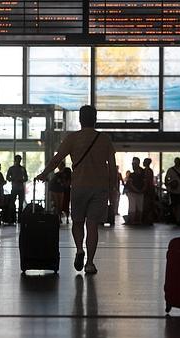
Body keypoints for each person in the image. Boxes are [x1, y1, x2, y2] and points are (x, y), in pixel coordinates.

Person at [36, 105, 117, 274]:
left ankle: (79, 249)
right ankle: (90, 263)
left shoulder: (72, 138)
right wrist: (112, 189)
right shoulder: (105, 140)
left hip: (79, 186)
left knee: (78, 222)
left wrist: (44, 174)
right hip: (100, 188)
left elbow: (57, 159)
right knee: (92, 225)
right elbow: (112, 167)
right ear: (95, 119)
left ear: (80, 120)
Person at [164, 157, 180, 225]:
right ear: (174, 162)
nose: (177, 162)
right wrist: (168, 186)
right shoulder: (170, 170)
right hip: (173, 190)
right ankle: (176, 218)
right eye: (176, 161)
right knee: (174, 205)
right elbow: (166, 178)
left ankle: (178, 220)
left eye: (178, 161)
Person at [6, 155, 28, 223]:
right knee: (12, 203)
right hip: (15, 187)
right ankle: (13, 218)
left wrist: (22, 180)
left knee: (21, 204)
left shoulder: (22, 169)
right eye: (17, 159)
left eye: (19, 159)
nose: (19, 161)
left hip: (20, 188)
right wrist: (12, 179)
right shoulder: (11, 168)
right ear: (15, 160)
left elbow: (26, 178)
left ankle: (20, 219)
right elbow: (7, 177)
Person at [125, 157, 145, 225]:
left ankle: (135, 221)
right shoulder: (132, 174)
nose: (133, 165)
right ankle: (133, 221)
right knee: (134, 207)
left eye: (134, 164)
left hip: (136, 192)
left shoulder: (142, 173)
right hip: (133, 193)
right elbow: (130, 184)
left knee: (136, 207)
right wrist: (140, 190)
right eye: (133, 164)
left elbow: (145, 183)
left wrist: (139, 190)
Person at [142, 158, 156, 225]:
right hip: (150, 190)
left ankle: (147, 219)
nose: (143, 162)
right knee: (149, 205)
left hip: (147, 190)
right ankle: (148, 219)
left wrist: (144, 189)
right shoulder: (150, 170)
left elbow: (147, 181)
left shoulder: (146, 171)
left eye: (144, 161)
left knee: (146, 205)